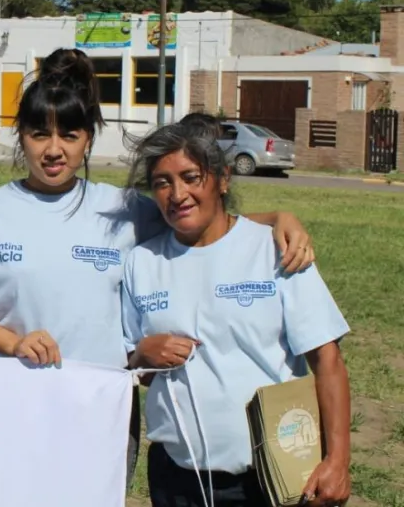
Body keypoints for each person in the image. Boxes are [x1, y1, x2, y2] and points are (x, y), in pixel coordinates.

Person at [0, 48, 318, 489]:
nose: (54, 150)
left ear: (89, 139)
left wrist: (274, 219)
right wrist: (13, 342)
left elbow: (199, 218)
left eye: (70, 135)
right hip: (13, 400)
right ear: (21, 136)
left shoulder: (124, 209)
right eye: (40, 134)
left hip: (104, 404)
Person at [122, 120, 351, 507]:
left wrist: (338, 459)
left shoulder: (276, 250)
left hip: (270, 476)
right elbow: (134, 368)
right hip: (177, 474)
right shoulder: (141, 263)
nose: (178, 194)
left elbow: (327, 360)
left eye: (191, 177)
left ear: (223, 179)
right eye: (162, 182)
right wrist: (143, 354)